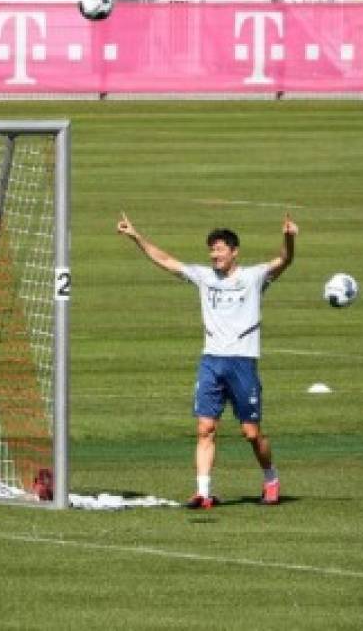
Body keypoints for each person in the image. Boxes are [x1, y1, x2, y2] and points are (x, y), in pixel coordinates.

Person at [116, 212, 298, 509]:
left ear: (234, 251)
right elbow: (165, 260)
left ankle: (271, 479)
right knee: (205, 429)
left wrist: (289, 238)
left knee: (251, 433)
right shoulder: (203, 276)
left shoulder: (253, 278)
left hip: (242, 362)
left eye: (220, 249)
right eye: (211, 250)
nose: (214, 255)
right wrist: (136, 236)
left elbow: (284, 260)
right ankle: (203, 492)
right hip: (212, 361)